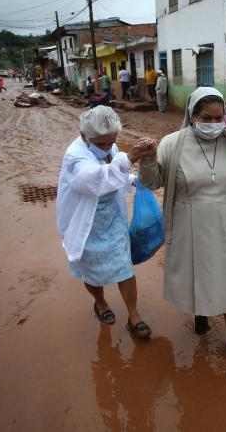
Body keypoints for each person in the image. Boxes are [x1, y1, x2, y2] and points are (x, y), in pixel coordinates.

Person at [136, 87, 226, 370]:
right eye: (206, 118)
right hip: (189, 225)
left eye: (218, 118)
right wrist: (148, 159)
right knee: (198, 275)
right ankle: (201, 312)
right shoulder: (172, 144)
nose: (213, 124)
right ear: (192, 116)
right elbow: (153, 182)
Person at [56, 106, 154, 339]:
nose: (107, 148)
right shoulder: (75, 157)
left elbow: (115, 174)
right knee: (91, 270)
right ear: (84, 136)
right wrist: (129, 159)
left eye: (112, 142)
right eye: (101, 144)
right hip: (86, 223)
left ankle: (134, 316)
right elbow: (96, 180)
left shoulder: (110, 148)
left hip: (112, 218)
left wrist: (132, 180)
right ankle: (100, 302)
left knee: (124, 266)